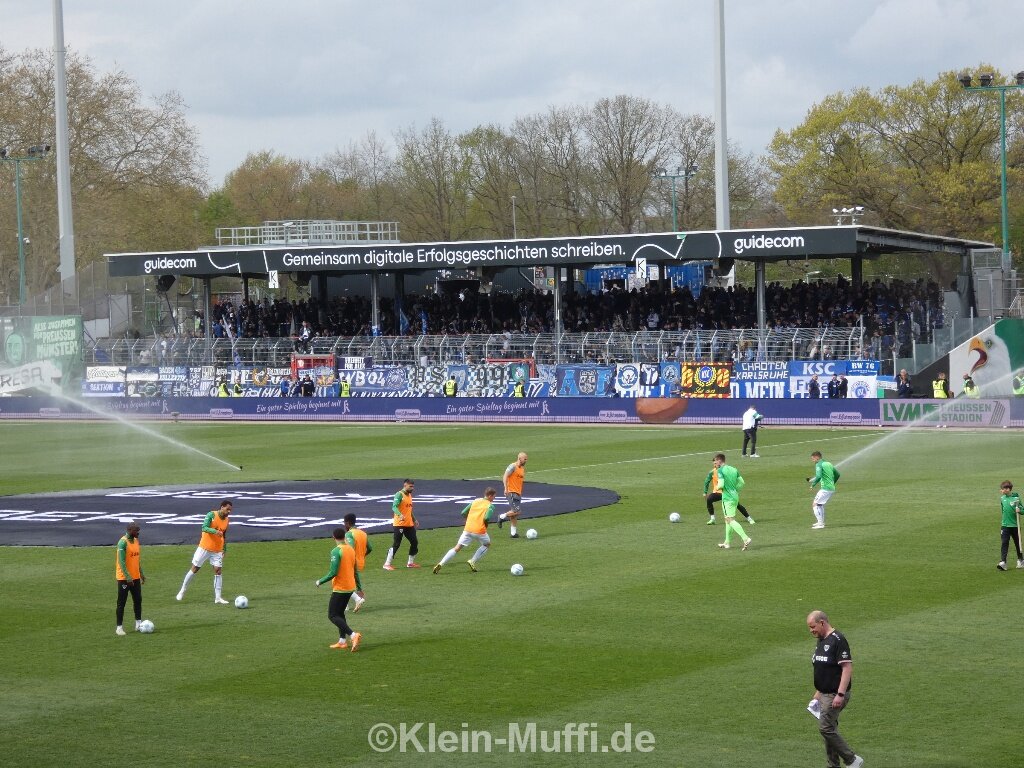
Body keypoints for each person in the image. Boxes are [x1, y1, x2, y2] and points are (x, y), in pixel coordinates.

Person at [806, 610, 864, 768]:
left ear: (822, 623)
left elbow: (846, 668)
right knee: (830, 730)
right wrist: (818, 693)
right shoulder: (822, 639)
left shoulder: (838, 640)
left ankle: (852, 760)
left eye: (813, 627)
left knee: (826, 728)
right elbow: (824, 669)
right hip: (825, 693)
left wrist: (840, 694)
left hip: (835, 694)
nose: (811, 631)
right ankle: (833, 765)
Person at [315, 527, 362, 651]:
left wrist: (320, 581)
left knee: (332, 615)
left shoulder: (336, 551)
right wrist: (359, 587)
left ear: (333, 538)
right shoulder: (351, 550)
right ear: (345, 537)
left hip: (340, 588)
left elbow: (333, 572)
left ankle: (353, 635)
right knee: (340, 614)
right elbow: (355, 570)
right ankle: (342, 641)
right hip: (350, 587)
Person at [176, 499, 232, 603]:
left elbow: (224, 535)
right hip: (204, 548)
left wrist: (224, 548)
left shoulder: (227, 520)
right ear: (222, 507)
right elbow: (204, 528)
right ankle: (182, 590)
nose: (229, 512)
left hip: (217, 549)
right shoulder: (211, 515)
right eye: (227, 509)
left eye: (230, 510)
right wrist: (215, 531)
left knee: (218, 571)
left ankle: (218, 598)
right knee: (195, 569)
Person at [433, 487, 497, 573]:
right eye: (494, 497)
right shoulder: (490, 505)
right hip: (479, 530)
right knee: (487, 544)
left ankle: (441, 563)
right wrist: (485, 524)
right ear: (490, 496)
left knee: (457, 548)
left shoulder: (475, 501)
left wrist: (468, 519)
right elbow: (487, 518)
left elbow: (463, 512)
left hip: (468, 529)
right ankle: (472, 561)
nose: (494, 499)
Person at [713, 453, 751, 551]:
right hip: (735, 496)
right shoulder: (734, 469)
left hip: (727, 498)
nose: (715, 463)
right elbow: (742, 482)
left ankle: (745, 538)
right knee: (727, 520)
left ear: (720, 460)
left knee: (730, 520)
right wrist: (735, 490)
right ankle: (727, 543)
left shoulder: (720, 470)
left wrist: (716, 488)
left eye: (716, 461)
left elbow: (721, 485)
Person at [703, 457, 755, 525]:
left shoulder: (724, 470)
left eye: (716, 463)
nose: (715, 464)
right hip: (718, 492)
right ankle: (712, 519)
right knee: (709, 499)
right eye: (714, 463)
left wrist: (734, 489)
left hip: (727, 492)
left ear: (719, 462)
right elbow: (706, 482)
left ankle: (749, 518)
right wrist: (705, 492)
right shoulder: (712, 472)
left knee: (737, 505)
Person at [115, 521, 145, 636]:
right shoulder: (122, 543)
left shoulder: (136, 541)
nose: (138, 533)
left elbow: (137, 559)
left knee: (138, 600)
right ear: (130, 531)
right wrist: (128, 577)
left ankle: (138, 624)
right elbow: (121, 562)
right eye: (137, 531)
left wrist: (141, 573)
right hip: (124, 578)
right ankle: (119, 628)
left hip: (135, 577)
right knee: (121, 603)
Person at [383, 479, 420, 570]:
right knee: (397, 544)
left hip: (409, 524)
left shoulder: (410, 495)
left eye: (413, 486)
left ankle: (410, 563)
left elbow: (409, 510)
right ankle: (387, 564)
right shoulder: (399, 494)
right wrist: (399, 515)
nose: (412, 488)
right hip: (399, 524)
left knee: (414, 542)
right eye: (410, 486)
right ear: (405, 485)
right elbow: (394, 506)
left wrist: (414, 520)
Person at [343, 513, 372, 610]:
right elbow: (370, 548)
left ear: (347, 523)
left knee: (342, 583)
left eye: (344, 523)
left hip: (351, 562)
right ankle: (345, 605)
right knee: (346, 583)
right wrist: (362, 556)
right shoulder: (363, 533)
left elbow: (350, 549)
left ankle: (357, 599)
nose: (344, 525)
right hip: (360, 563)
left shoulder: (349, 534)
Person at [808, 452, 840, 529]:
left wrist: (812, 485)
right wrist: (832, 483)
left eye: (813, 459)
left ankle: (821, 524)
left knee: (815, 504)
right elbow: (837, 474)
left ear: (817, 457)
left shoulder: (819, 464)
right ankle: (820, 522)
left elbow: (818, 476)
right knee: (819, 504)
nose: (813, 460)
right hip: (830, 488)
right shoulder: (828, 463)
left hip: (825, 488)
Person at [499, 452, 528, 538]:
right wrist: (505, 488)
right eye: (525, 459)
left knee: (514, 514)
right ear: (520, 458)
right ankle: (501, 517)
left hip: (518, 493)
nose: (526, 460)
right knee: (517, 511)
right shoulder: (512, 466)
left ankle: (513, 533)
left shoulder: (522, 468)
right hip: (511, 491)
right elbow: (505, 476)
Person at [996, 480, 1023, 571]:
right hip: (1005, 525)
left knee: (1017, 543)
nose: (1002, 490)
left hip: (1015, 526)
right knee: (1004, 543)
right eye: (1002, 489)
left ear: (1008, 489)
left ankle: (1020, 560)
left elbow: (1023, 510)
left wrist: (1019, 510)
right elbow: (1003, 510)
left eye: (1003, 489)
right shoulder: (1002, 498)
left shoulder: (1016, 498)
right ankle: (1003, 562)